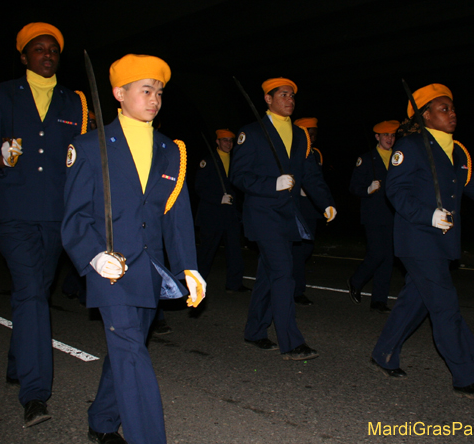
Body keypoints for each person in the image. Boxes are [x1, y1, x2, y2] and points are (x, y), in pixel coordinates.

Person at [62, 54, 205, 444]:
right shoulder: (90, 146)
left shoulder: (171, 150)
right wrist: (94, 255)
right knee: (131, 354)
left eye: (159, 91)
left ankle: (103, 419)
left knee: (128, 348)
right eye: (146, 90)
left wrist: (188, 268)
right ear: (119, 94)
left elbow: (175, 215)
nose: (155, 98)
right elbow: (74, 218)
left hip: (150, 270)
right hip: (111, 268)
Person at [370, 84, 474, 400]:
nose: (452, 113)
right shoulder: (412, 145)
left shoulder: (456, 151)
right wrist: (428, 215)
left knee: (415, 300)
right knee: (445, 306)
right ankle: (467, 375)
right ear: (424, 115)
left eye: (453, 108)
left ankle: (384, 352)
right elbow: (396, 191)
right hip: (417, 239)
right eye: (443, 108)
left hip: (441, 241)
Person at [0, 22, 87, 427]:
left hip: (56, 214)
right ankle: (35, 393)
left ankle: (17, 361)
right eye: (39, 49)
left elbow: (82, 160)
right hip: (14, 211)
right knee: (31, 293)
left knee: (36, 290)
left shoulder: (75, 102)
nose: (47, 54)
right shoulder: (3, 95)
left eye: (53, 49)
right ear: (24, 56)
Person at [230, 78, 336, 361]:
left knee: (269, 276)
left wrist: (325, 203)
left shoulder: (300, 135)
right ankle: (292, 342)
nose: (289, 99)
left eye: (292, 95)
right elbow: (237, 175)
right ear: (268, 99)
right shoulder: (252, 133)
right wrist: (271, 183)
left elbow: (311, 174)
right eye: (283, 94)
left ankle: (255, 331)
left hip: (289, 215)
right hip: (264, 214)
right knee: (283, 274)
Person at [348, 120, 400, 313]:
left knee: (387, 259)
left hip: (394, 215)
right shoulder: (366, 159)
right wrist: (368, 189)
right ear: (377, 137)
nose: (390, 138)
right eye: (386, 135)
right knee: (377, 253)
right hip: (374, 215)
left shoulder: (398, 158)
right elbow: (353, 187)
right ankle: (356, 280)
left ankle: (379, 300)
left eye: (393, 135)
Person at [194, 129, 248, 292]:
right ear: (217, 142)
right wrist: (218, 199)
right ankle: (196, 284)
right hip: (212, 214)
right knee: (206, 252)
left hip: (231, 214)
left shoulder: (236, 161)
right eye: (224, 140)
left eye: (230, 141)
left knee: (234, 251)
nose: (228, 144)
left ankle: (234, 284)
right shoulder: (208, 161)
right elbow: (199, 187)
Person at [291, 117, 329, 306]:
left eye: (314, 134)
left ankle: (290, 277)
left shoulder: (316, 154)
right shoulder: (292, 151)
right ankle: (297, 290)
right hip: (296, 206)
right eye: (308, 133)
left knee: (307, 248)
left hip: (311, 207)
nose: (312, 137)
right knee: (299, 250)